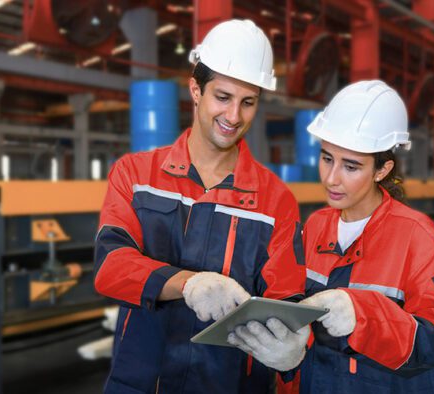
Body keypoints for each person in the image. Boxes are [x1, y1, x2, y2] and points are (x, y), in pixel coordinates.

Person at [94, 19, 309, 394]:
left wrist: (291, 351)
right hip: (141, 384)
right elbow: (111, 268)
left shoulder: (276, 200)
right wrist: (188, 284)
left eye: (248, 102)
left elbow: (286, 301)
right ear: (195, 89)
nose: (234, 117)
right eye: (222, 97)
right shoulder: (136, 174)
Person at [229, 80, 434, 393]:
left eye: (351, 166)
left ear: (382, 170)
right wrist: (289, 355)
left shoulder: (417, 237)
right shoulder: (315, 226)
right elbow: (291, 309)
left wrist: (364, 316)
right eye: (327, 158)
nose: (331, 178)